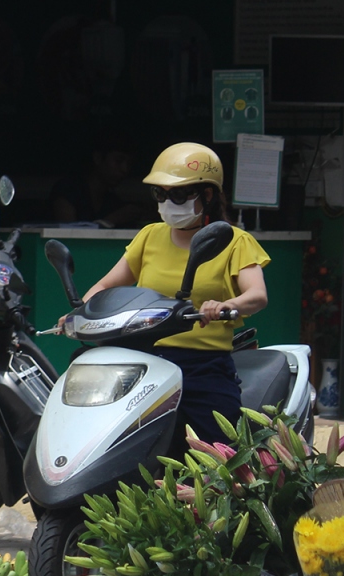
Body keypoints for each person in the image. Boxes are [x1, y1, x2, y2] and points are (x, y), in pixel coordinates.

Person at [73, 142, 270, 443]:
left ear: (207, 195)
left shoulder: (234, 240)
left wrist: (225, 304)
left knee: (221, 452)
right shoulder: (149, 236)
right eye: (160, 194)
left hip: (202, 365)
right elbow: (103, 287)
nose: (167, 202)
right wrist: (79, 314)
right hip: (143, 357)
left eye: (177, 194)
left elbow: (257, 295)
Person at [49, 133, 147, 227]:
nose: (124, 169)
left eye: (129, 164)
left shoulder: (112, 201)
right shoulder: (68, 190)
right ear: (98, 158)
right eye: (118, 161)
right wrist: (110, 221)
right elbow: (67, 234)